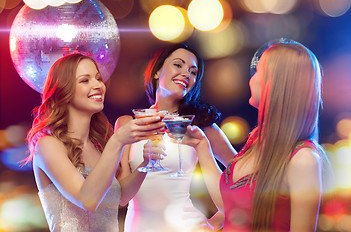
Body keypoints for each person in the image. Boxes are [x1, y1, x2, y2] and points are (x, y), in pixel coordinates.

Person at [183, 39, 327, 231]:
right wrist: (203, 148)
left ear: (277, 82)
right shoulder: (256, 138)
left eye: (258, 71)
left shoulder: (303, 158)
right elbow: (232, 205)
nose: (251, 78)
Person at [25, 53, 165, 231]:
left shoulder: (100, 144)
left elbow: (122, 197)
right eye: (85, 80)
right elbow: (88, 200)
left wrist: (147, 163)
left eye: (98, 79)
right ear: (64, 91)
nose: (98, 85)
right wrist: (118, 141)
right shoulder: (48, 145)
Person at [115, 43, 236, 232]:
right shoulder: (127, 124)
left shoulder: (199, 128)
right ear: (157, 71)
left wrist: (216, 221)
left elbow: (246, 179)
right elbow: (122, 198)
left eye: (193, 72)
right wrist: (144, 164)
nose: (187, 74)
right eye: (178, 65)